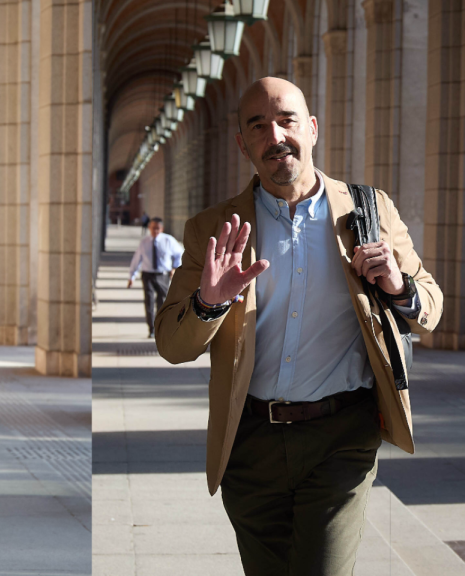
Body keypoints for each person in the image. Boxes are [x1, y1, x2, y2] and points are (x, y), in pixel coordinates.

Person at [154, 77, 443, 575]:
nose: (276, 136)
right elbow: (171, 345)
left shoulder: (369, 211)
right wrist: (209, 302)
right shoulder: (214, 230)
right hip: (250, 444)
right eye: (259, 126)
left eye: (287, 120)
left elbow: (432, 305)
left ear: (311, 129)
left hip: (342, 437)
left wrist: (398, 286)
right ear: (243, 144)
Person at [127, 217, 183, 338]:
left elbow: (179, 254)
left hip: (163, 275)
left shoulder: (169, 240)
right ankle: (151, 329)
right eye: (153, 228)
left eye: (157, 228)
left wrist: (175, 268)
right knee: (149, 301)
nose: (155, 231)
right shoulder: (144, 242)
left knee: (162, 302)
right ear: (149, 228)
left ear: (161, 229)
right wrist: (132, 276)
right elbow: (137, 260)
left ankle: (160, 327)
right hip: (148, 275)